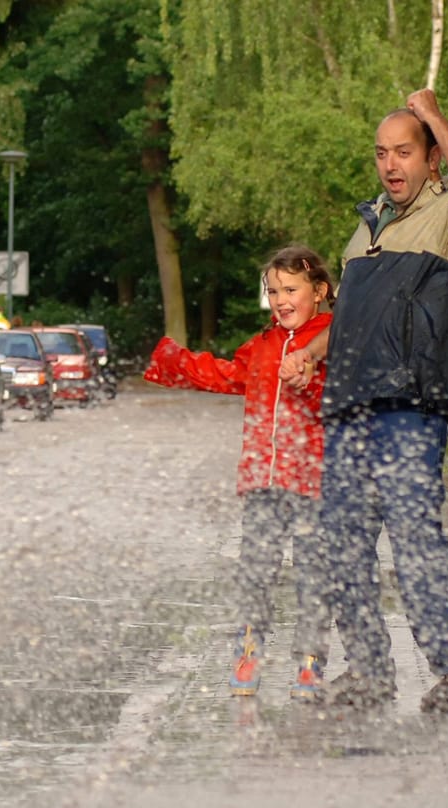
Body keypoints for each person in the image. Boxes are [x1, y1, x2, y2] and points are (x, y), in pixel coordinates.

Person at [280, 89, 448, 713]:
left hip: (411, 408)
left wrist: (433, 114)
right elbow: (357, 315)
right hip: (352, 407)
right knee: (343, 543)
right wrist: (311, 353)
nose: (391, 164)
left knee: (414, 538)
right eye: (382, 153)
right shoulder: (370, 226)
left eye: (405, 152)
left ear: (431, 158)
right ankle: (371, 674)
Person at [144, 246, 335, 699]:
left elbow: (336, 404)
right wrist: (178, 364)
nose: (281, 299)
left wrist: (308, 381)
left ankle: (310, 664)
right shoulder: (264, 345)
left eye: (291, 289)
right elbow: (231, 376)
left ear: (320, 291)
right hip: (263, 482)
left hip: (315, 484)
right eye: (273, 291)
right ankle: (248, 652)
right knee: (256, 572)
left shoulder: (332, 339)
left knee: (314, 575)